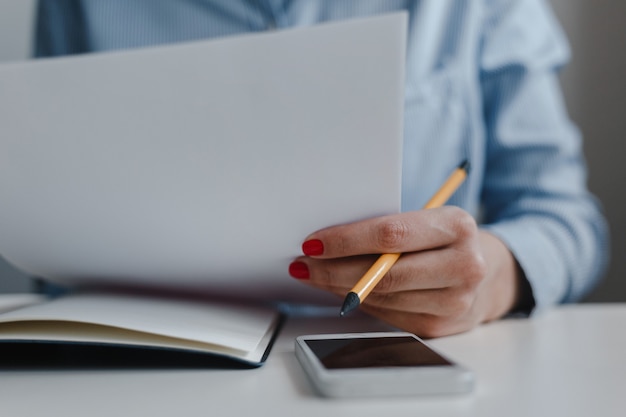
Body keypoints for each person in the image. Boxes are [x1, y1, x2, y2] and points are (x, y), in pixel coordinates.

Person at [34, 0, 609, 337]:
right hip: (142, 373)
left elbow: (567, 220)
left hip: (386, 368)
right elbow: (49, 214)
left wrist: (491, 278)